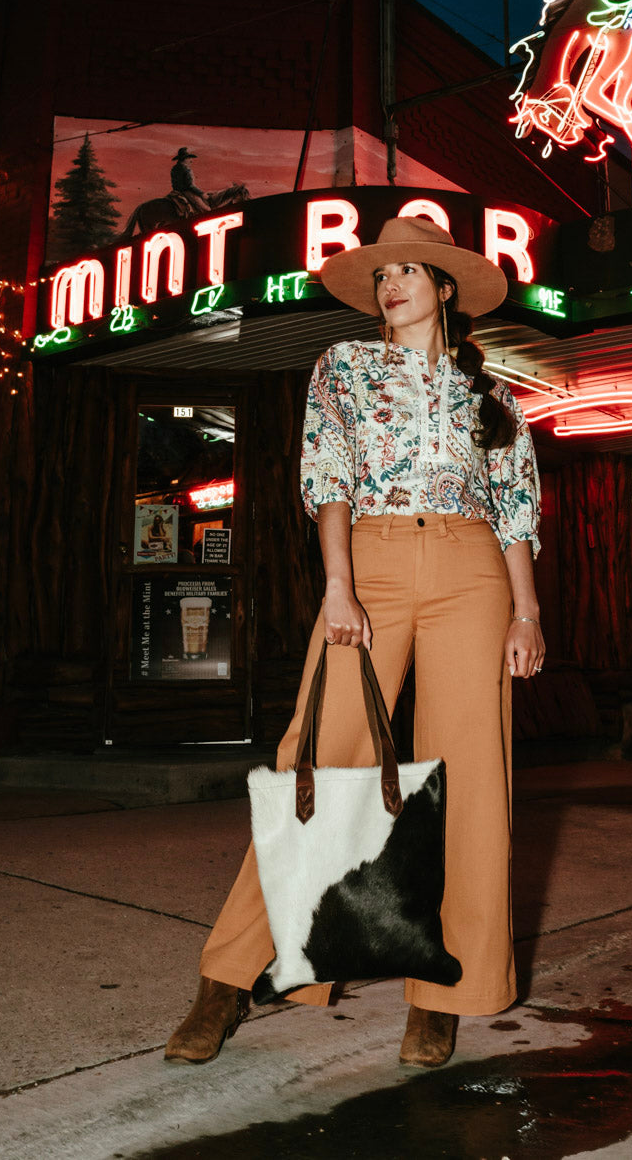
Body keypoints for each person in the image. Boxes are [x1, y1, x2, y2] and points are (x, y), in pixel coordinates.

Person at [164, 215, 545, 1070]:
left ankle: (443, 994)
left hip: (474, 573)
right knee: (320, 756)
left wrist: (526, 612)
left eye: (408, 271)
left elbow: (517, 510)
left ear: (444, 287)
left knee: (471, 781)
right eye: (381, 275)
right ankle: (227, 979)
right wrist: (339, 585)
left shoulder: (493, 396)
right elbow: (328, 476)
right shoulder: (344, 366)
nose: (391, 285)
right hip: (370, 559)